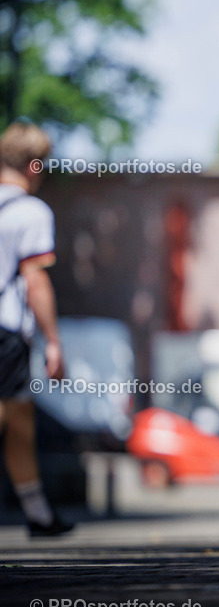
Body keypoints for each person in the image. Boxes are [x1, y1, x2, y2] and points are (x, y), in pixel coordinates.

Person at [0, 121, 73, 536]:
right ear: (33, 165)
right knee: (8, 413)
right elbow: (35, 280)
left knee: (20, 420)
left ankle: (38, 514)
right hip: (6, 330)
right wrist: (53, 341)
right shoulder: (31, 212)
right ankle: (39, 514)